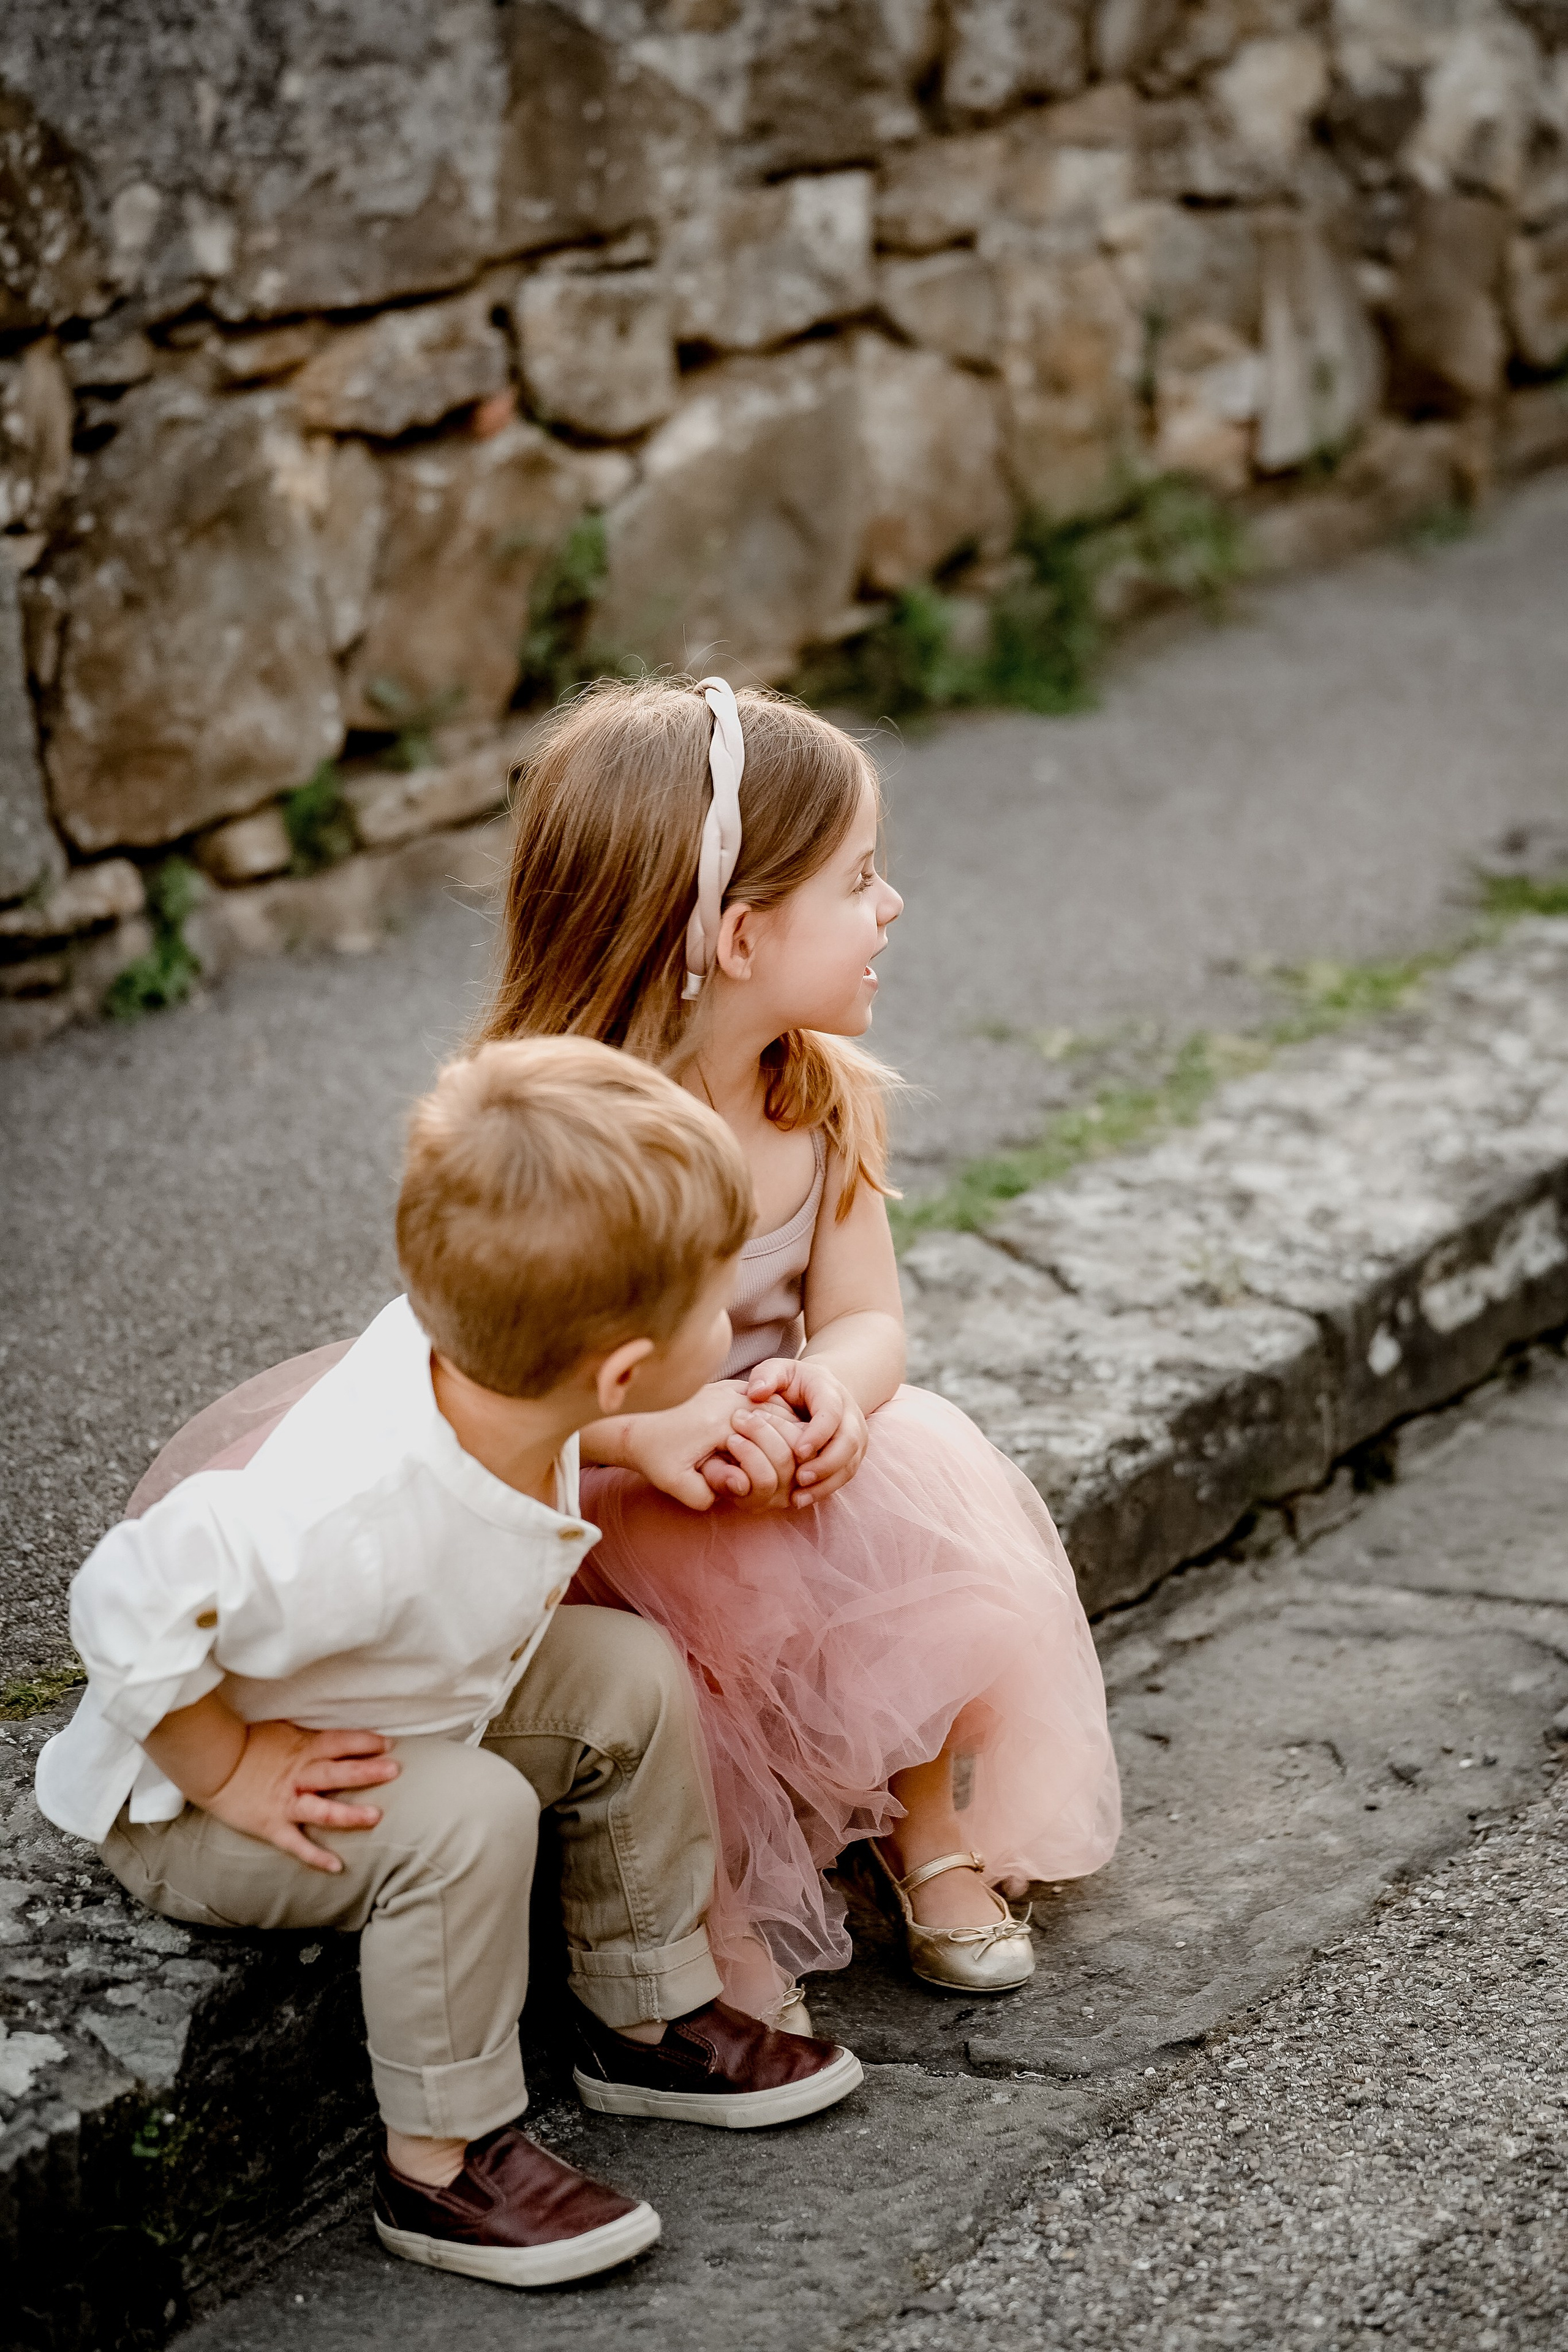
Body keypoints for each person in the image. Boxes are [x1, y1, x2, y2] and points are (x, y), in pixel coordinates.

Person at [34, 1038, 864, 2291]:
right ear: (622, 1363)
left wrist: (636, 1438)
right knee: (468, 1816)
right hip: (200, 1798)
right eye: (714, 1300)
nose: (729, 1319)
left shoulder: (509, 1372)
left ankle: (647, 2012)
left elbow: (561, 1419)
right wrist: (232, 1763)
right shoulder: (337, 1515)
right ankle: (442, 2158)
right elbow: (122, 1599)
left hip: (411, 1697)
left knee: (627, 1674)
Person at [478, 676, 1122, 2029]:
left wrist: (831, 1390)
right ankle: (708, 1909)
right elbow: (485, 1398)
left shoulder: (813, 1097)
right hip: (624, 1493)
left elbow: (867, 1319)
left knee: (916, 1507)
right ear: (742, 931)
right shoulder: (559, 1144)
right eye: (863, 880)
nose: (892, 907)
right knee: (685, 1649)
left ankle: (922, 1825)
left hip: (787, 1460)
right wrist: (650, 1433)